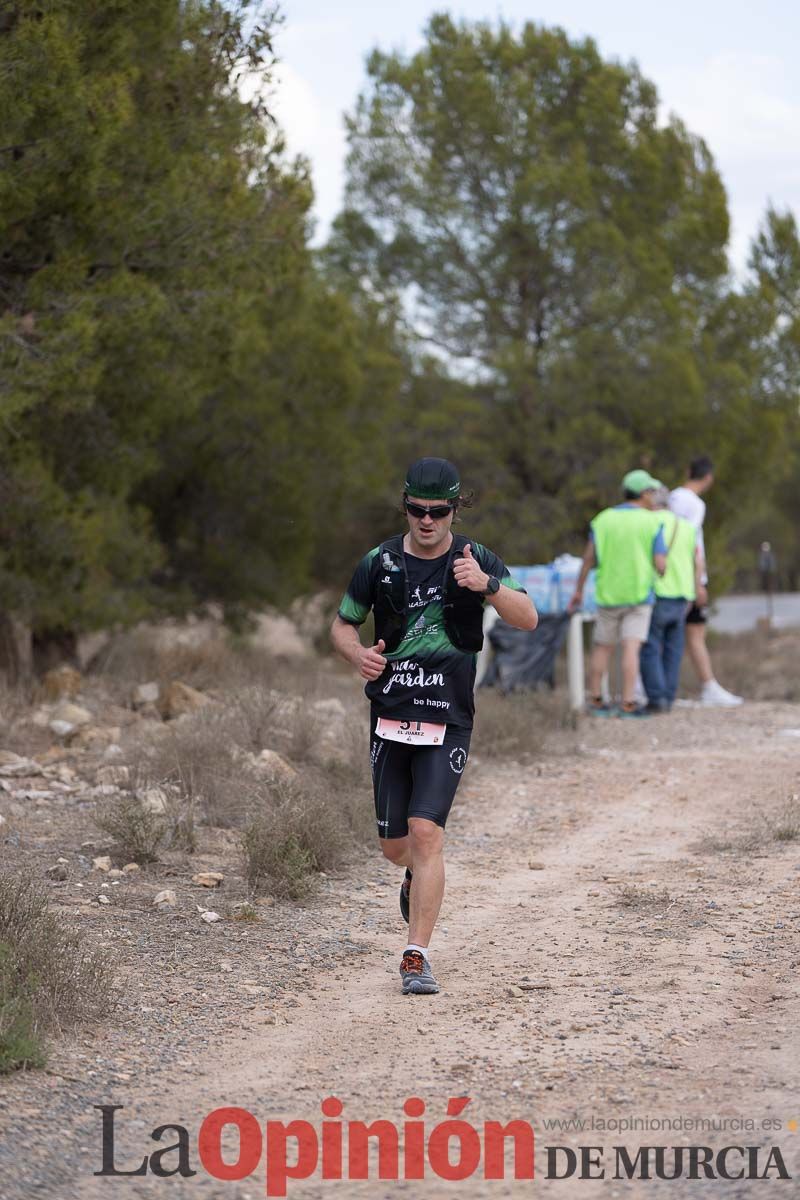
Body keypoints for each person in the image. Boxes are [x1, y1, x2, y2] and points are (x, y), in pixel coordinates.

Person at [330, 457, 537, 996]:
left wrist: (488, 585)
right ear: (405, 507)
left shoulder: (476, 558)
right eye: (417, 511)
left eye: (438, 512)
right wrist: (358, 656)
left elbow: (528, 617)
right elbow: (342, 623)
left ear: (454, 509)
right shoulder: (378, 562)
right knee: (395, 846)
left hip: (448, 719)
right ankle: (410, 875)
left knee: (427, 834)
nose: (427, 521)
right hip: (391, 717)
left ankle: (415, 955)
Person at [568, 469, 667, 717]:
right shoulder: (652, 521)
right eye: (652, 491)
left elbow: (589, 559)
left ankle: (597, 701)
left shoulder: (603, 520)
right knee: (631, 649)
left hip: (608, 595)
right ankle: (628, 703)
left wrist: (579, 590)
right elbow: (661, 564)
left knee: (602, 648)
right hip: (639, 596)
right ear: (643, 493)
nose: (654, 496)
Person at [669, 456, 742, 707]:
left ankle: (662, 687)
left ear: (688, 471)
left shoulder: (671, 498)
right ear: (708, 477)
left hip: (669, 574)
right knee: (695, 632)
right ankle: (707, 686)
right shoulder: (695, 504)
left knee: (671, 634)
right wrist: (698, 580)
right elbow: (689, 542)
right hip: (687, 576)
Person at [640, 488, 702, 712]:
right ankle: (669, 695)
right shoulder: (686, 526)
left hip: (657, 593)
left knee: (650, 647)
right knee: (674, 650)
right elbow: (697, 561)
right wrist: (694, 591)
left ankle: (657, 699)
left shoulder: (648, 522)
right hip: (683, 596)